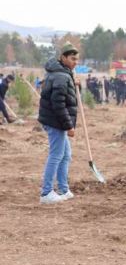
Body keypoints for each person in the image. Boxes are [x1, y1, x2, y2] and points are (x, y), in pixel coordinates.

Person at [38, 43, 80, 204]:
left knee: (66, 155)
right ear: (63, 58)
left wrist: (74, 83)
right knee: (56, 155)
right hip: (55, 121)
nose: (75, 62)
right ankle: (46, 193)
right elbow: (58, 104)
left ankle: (63, 188)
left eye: (77, 59)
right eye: (72, 58)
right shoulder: (61, 76)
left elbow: (67, 96)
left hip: (56, 121)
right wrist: (69, 125)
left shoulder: (63, 73)